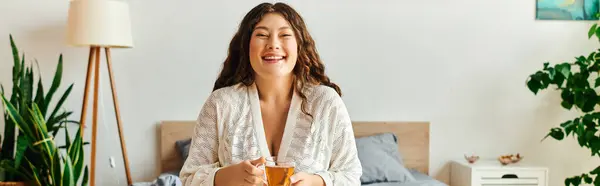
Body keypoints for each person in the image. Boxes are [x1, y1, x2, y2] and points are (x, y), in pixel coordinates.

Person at [179, 2, 362, 186]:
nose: (273, 44)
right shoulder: (220, 103)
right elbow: (188, 179)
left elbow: (351, 176)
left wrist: (318, 182)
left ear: (299, 45)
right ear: (246, 45)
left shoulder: (326, 102)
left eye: (284, 35)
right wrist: (225, 177)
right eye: (262, 35)